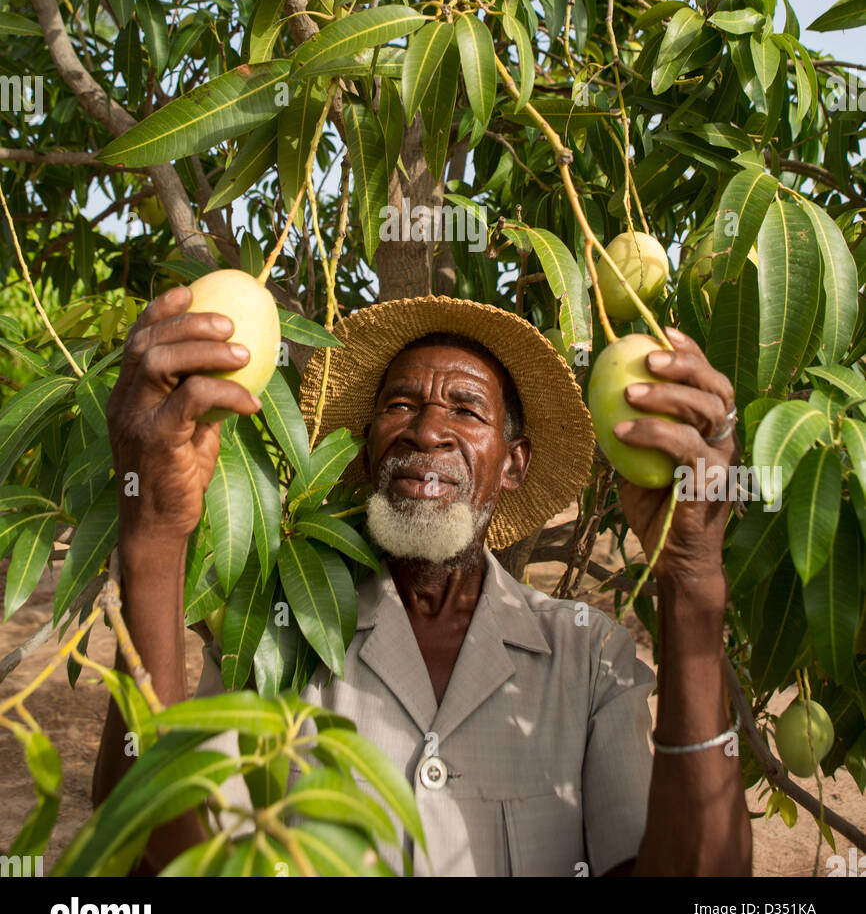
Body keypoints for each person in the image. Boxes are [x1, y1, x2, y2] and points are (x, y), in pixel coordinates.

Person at [94, 288, 751, 877]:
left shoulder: (589, 660)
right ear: (367, 449)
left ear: (513, 464)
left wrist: (692, 583)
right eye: (400, 404)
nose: (427, 430)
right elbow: (156, 861)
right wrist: (153, 528)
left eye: (466, 410)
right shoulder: (281, 630)